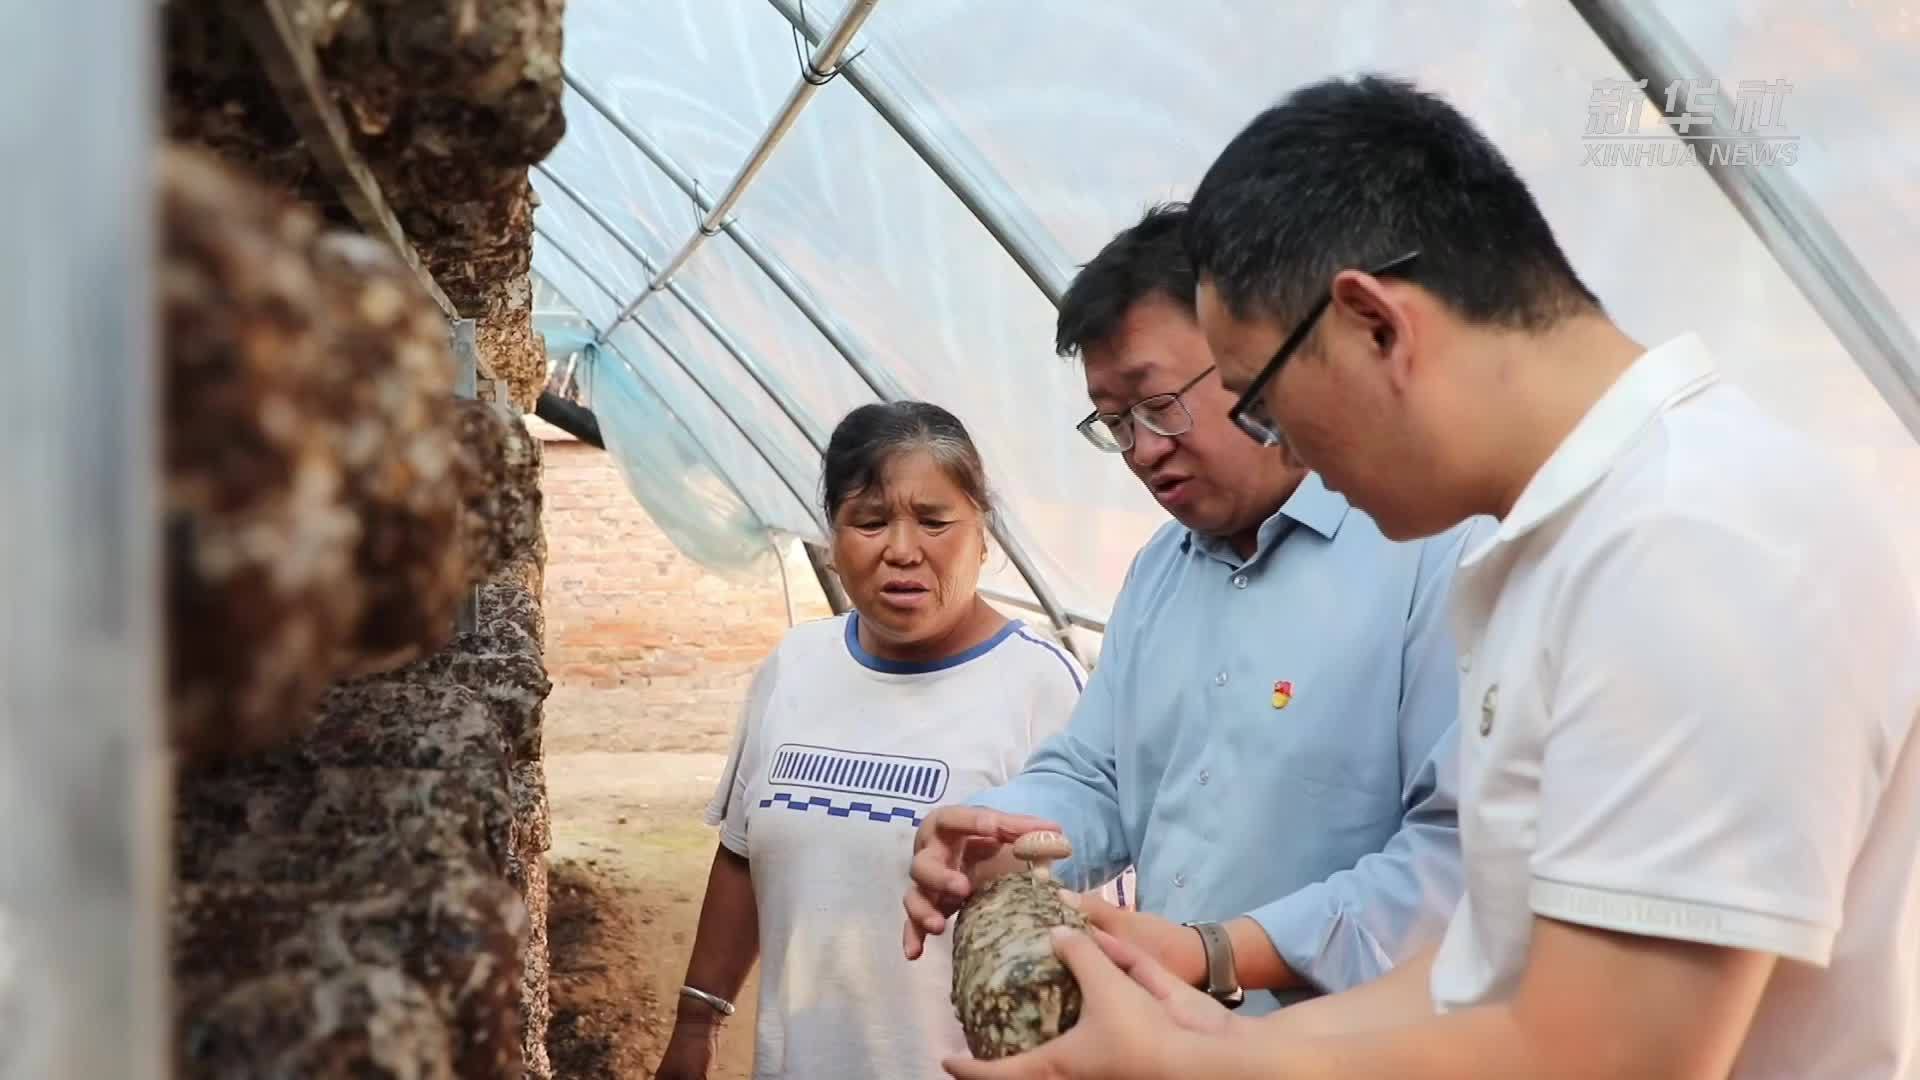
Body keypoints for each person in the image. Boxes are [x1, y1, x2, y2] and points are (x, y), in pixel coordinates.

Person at [940, 74, 1920, 1080]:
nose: (1290, 447)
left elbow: (1608, 1057)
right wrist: (1215, 1032)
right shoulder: (1565, 546)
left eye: (1261, 400)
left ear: (1374, 324)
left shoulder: (1696, 545)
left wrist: (1193, 1062)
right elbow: (1484, 970)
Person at [902, 202, 1486, 1016]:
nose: (1142, 450)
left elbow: (1458, 864)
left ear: (1258, 358)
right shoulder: (1161, 573)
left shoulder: (1435, 549)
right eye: (1114, 424)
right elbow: (1098, 774)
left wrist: (1217, 953)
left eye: (1158, 405)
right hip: (1171, 1045)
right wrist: (991, 836)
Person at [656, 401, 1090, 1080]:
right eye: (870, 521)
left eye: (935, 521)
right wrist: (696, 1023)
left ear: (984, 536)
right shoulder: (795, 667)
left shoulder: (1040, 687)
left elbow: (1092, 915)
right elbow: (743, 855)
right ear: (833, 539)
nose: (902, 550)